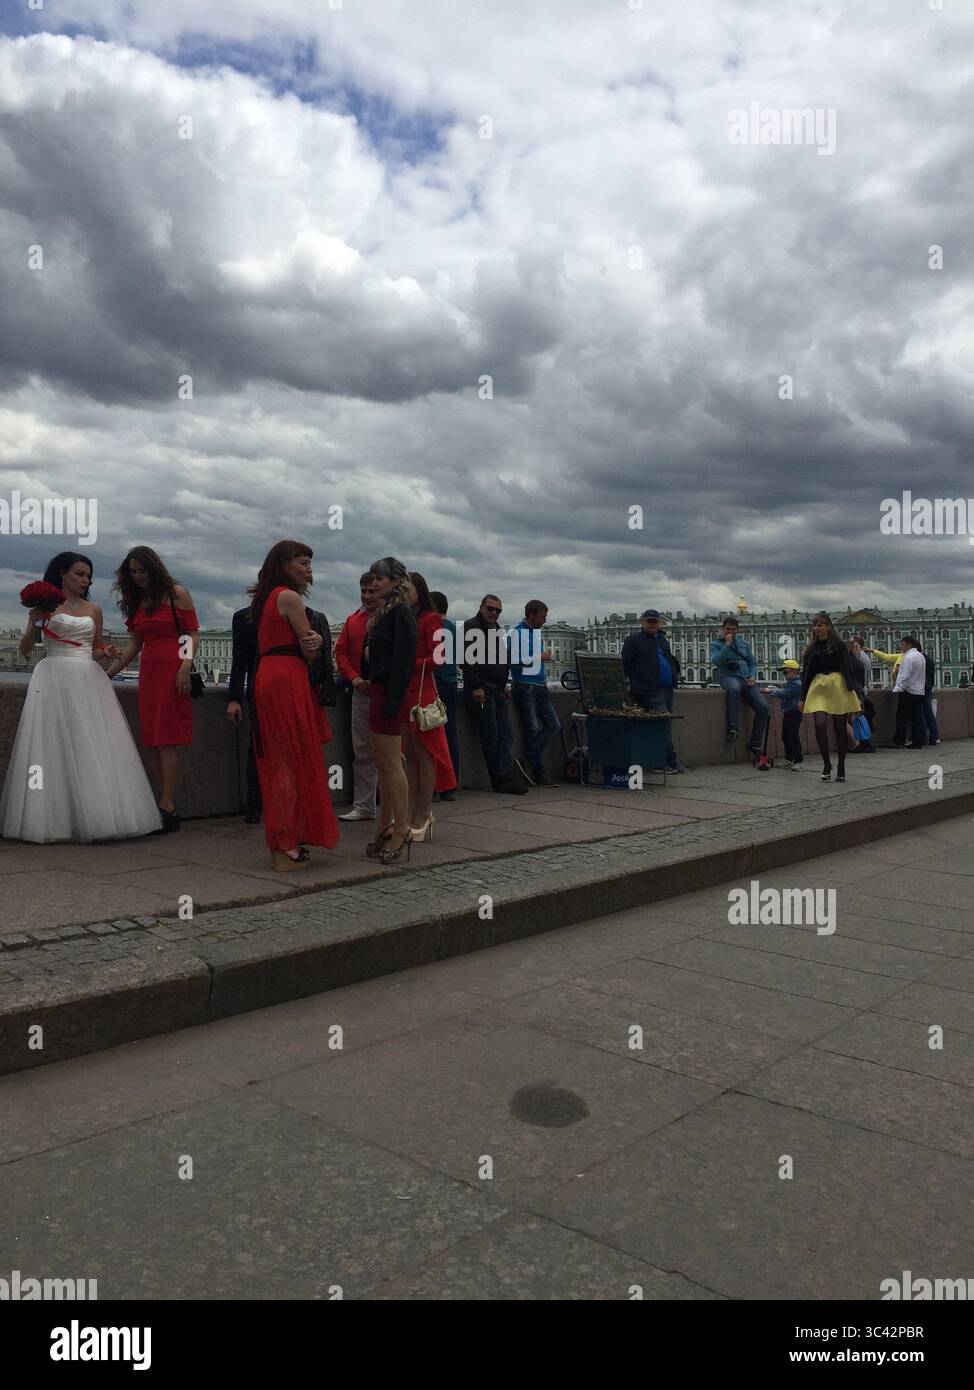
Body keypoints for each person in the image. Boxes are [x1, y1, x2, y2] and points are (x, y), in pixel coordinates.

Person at [0, 552, 162, 843]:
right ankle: (53, 820)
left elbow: (96, 647)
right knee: (51, 745)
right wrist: (31, 623)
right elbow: (25, 650)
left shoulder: (94, 610)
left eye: (88, 575)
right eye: (79, 574)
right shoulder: (45, 607)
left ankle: (96, 815)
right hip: (52, 675)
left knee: (90, 744)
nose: (85, 580)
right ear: (62, 574)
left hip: (86, 677)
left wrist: (106, 652)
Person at [248, 540, 339, 871]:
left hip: (268, 676)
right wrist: (315, 641)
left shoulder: (266, 598)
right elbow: (309, 649)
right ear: (285, 565)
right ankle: (287, 842)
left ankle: (282, 838)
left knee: (277, 759)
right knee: (292, 759)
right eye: (304, 562)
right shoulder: (290, 598)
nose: (309, 569)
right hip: (289, 678)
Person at [106, 546, 200, 832]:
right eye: (133, 572)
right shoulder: (137, 600)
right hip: (149, 672)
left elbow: (193, 631)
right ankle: (161, 801)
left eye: (142, 571)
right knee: (153, 738)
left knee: (166, 738)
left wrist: (185, 665)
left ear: (154, 568)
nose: (137, 577)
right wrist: (107, 675)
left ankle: (167, 804)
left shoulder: (176, 594)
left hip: (173, 670)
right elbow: (134, 644)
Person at [360, 557, 419, 864]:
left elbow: (404, 663)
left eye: (380, 578)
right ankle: (386, 826)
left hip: (390, 696)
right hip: (380, 692)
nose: (374, 583)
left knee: (392, 764)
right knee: (383, 764)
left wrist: (394, 702)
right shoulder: (385, 614)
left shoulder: (401, 613)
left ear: (396, 581)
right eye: (373, 578)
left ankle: (402, 828)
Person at [402, 573, 457, 841]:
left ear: (419, 591)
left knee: (424, 755)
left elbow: (438, 659)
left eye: (408, 590)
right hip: (407, 692)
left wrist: (404, 665)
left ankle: (423, 814)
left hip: (422, 692)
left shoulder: (431, 619)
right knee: (410, 756)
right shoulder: (407, 618)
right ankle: (412, 813)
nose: (403, 594)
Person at [462, 594, 528, 795]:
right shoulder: (471, 627)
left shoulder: (497, 629)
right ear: (481, 607)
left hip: (497, 690)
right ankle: (499, 780)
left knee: (506, 734)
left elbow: (501, 660)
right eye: (490, 608)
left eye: (498, 610)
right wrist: (476, 686)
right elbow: (467, 660)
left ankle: (505, 775)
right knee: (491, 735)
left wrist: (504, 685)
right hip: (482, 690)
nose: (494, 613)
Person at [335, 573, 380, 822]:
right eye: (363, 591)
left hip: (388, 694)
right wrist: (355, 679)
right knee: (362, 750)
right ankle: (364, 806)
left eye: (372, 591)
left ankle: (401, 806)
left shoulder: (394, 619)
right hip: (361, 693)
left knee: (396, 753)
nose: (366, 596)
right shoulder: (354, 620)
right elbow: (340, 652)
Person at [799, 612, 862, 782]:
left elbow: (849, 670)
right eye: (815, 625)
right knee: (819, 725)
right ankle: (827, 763)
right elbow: (806, 674)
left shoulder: (839, 645)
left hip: (838, 685)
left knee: (840, 728)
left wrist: (858, 694)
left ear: (828, 626)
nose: (816, 628)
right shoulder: (811, 649)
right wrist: (802, 697)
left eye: (820, 625)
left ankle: (841, 765)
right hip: (818, 686)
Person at [509, 599, 562, 785]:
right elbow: (513, 661)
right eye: (542, 617)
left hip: (540, 684)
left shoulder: (536, 633)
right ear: (531, 615)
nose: (544, 621)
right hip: (524, 685)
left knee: (553, 725)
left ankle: (527, 760)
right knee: (532, 729)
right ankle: (539, 773)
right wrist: (540, 657)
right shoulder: (516, 633)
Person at [709, 616, 769, 763]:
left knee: (763, 707)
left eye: (733, 629)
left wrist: (753, 676)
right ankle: (733, 729)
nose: (730, 631)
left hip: (746, 679)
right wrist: (727, 646)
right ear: (723, 629)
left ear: (737, 630)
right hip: (728, 678)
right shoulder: (716, 644)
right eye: (728, 629)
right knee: (734, 689)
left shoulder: (744, 644)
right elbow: (717, 661)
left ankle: (755, 744)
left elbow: (753, 663)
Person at [226, 605, 261, 823]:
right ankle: (255, 803)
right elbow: (240, 661)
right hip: (260, 690)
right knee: (257, 748)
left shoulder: (300, 612)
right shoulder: (244, 617)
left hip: (289, 688)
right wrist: (234, 698)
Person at [429, 591, 459, 799]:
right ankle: (450, 785)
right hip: (451, 683)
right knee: (451, 735)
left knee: (431, 737)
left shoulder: (431, 626)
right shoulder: (454, 629)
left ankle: (433, 785)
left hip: (434, 684)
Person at [761, 659, 803, 769]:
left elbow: (785, 694)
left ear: (794, 671)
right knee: (786, 736)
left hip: (795, 712)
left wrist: (770, 691)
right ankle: (789, 759)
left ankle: (798, 761)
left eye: (785, 672)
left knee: (793, 736)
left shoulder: (797, 684)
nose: (784, 675)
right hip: (788, 712)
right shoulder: (791, 684)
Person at [891, 636, 927, 750]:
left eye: (902, 645)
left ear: (909, 644)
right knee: (917, 718)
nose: (901, 647)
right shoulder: (920, 656)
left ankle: (899, 740)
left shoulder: (908, 657)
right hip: (919, 691)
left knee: (901, 717)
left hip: (908, 691)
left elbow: (905, 676)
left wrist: (899, 688)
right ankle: (918, 741)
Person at [849, 637, 877, 753]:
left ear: (857, 646)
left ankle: (867, 743)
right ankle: (863, 743)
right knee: (859, 718)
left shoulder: (861, 659)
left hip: (859, 691)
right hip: (860, 690)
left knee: (860, 718)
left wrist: (860, 693)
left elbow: (862, 679)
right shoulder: (859, 658)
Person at [915, 641, 940, 746]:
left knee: (921, 713)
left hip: (921, 688)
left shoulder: (918, 659)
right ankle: (935, 737)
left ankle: (924, 737)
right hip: (928, 687)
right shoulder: (928, 658)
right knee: (929, 713)